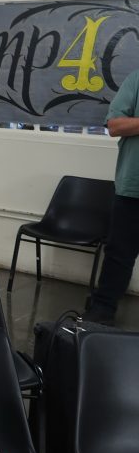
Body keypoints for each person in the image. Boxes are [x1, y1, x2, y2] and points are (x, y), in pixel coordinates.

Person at [83, 68, 139, 325]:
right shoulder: (136, 79)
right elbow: (114, 126)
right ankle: (99, 318)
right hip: (133, 188)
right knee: (119, 256)